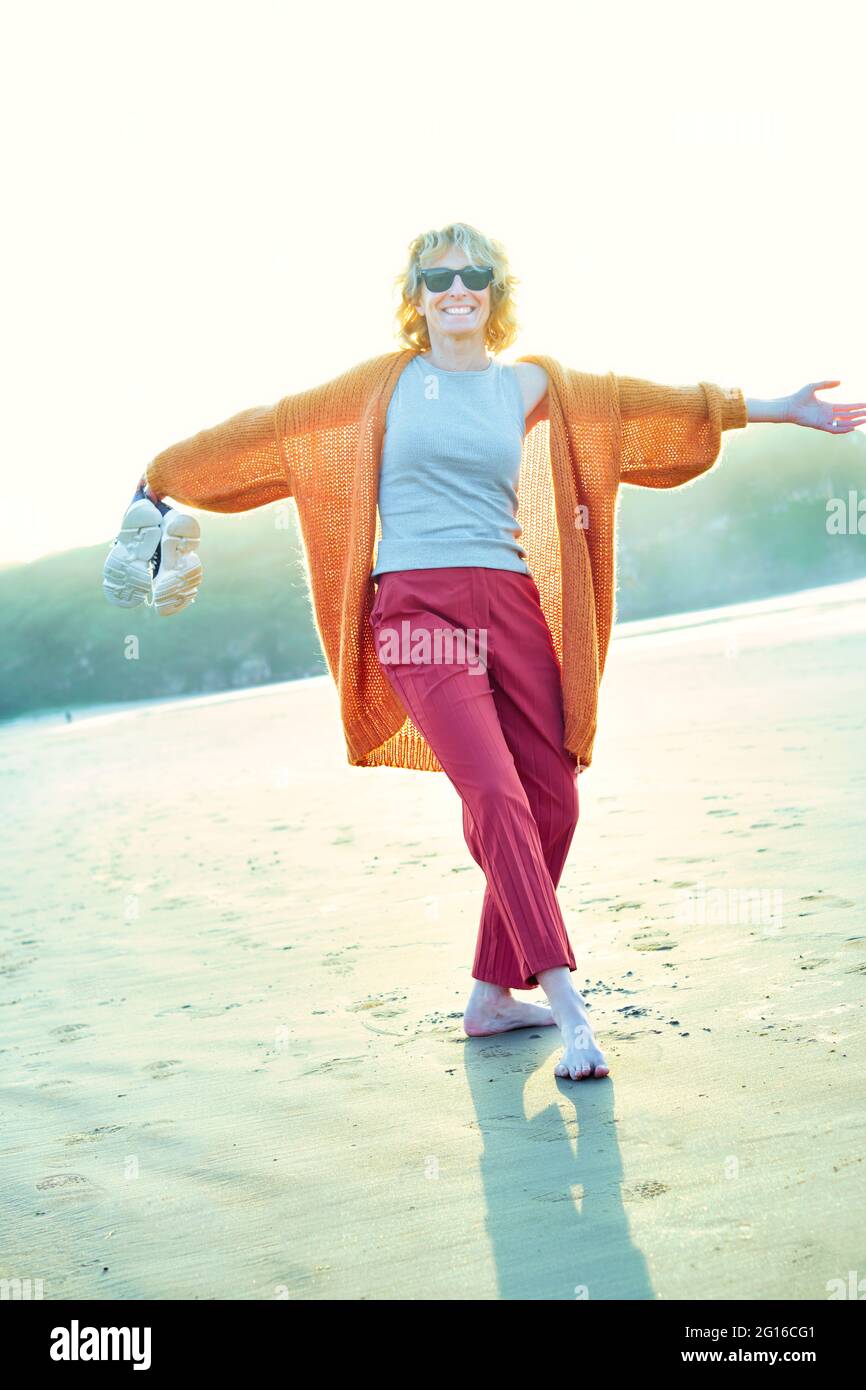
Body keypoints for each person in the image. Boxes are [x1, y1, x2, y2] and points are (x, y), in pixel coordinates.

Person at [103, 222, 865, 1082]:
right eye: (439, 278)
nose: (456, 288)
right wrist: (160, 475)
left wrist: (774, 407)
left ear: (496, 293)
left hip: (511, 601)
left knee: (555, 802)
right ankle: (572, 1009)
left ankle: (491, 996)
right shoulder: (379, 388)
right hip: (417, 612)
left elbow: (639, 404)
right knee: (496, 796)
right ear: (416, 295)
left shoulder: (526, 384)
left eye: (475, 275)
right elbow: (272, 430)